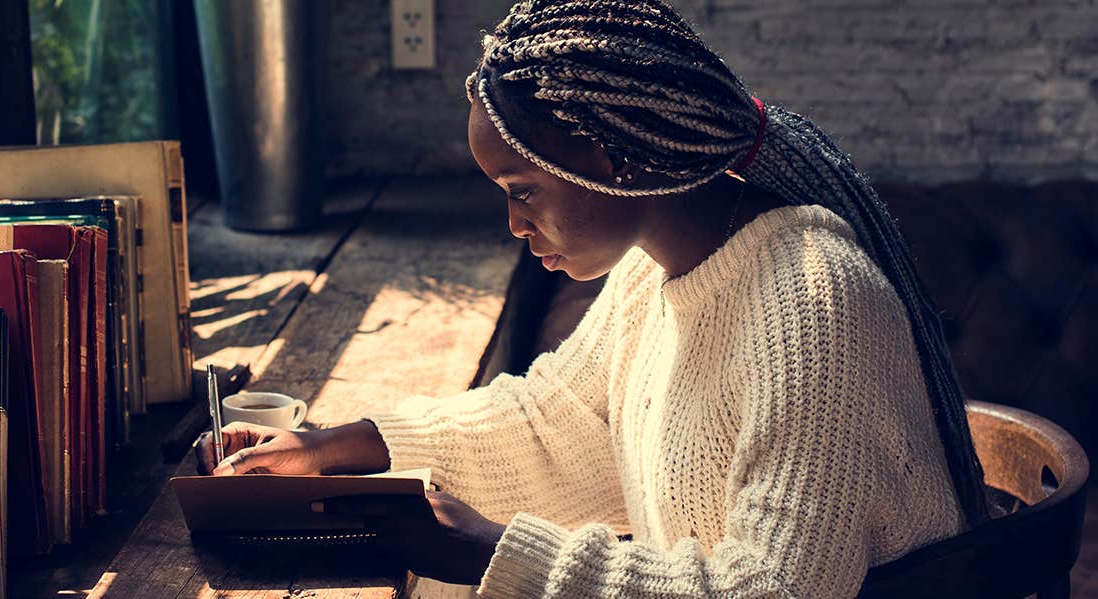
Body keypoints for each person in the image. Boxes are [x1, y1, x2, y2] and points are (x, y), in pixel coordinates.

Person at [197, 1, 993, 596]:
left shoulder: (815, 302)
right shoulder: (659, 265)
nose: (513, 221)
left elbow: (775, 588)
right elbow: (558, 425)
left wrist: (494, 551)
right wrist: (344, 445)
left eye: (523, 189)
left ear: (617, 160)